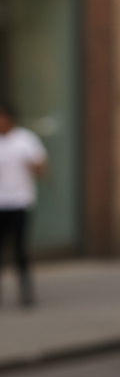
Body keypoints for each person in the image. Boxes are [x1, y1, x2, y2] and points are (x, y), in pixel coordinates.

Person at [0, 102, 47, 306]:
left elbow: (42, 167)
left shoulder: (25, 140)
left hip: (20, 201)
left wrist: (33, 166)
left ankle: (26, 292)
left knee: (20, 249)